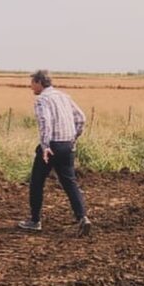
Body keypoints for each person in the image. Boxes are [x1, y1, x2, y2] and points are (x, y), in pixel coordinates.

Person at [18, 70, 92, 236]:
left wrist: (45, 146)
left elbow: (45, 122)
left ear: (39, 82)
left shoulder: (42, 100)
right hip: (67, 146)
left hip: (52, 147)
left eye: (32, 83)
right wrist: (73, 139)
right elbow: (81, 118)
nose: (31, 87)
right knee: (70, 183)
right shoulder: (64, 96)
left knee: (37, 182)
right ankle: (83, 218)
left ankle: (35, 220)